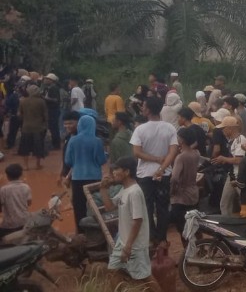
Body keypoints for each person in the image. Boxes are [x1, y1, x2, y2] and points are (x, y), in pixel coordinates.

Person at [130, 95, 179, 245]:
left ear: (149, 110)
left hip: (145, 175)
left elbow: (137, 153)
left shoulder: (140, 129)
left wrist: (155, 160)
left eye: (144, 106)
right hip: (164, 174)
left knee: (147, 208)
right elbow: (173, 152)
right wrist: (161, 168)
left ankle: (151, 238)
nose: (142, 108)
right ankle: (162, 238)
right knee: (163, 207)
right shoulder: (170, 128)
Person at [101, 157, 155, 288]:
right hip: (123, 241)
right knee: (113, 270)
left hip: (134, 244)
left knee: (145, 278)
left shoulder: (134, 192)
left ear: (126, 172)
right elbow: (109, 207)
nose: (113, 172)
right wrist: (103, 188)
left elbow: (137, 221)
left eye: (117, 169)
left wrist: (129, 246)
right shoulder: (124, 190)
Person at [63, 115, 108, 230]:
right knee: (95, 205)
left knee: (79, 206)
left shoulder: (72, 140)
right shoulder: (97, 141)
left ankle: (81, 232)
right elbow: (101, 160)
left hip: (77, 178)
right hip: (94, 178)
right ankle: (96, 230)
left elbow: (68, 161)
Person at [170, 127, 200, 245]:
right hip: (193, 192)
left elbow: (175, 178)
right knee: (194, 225)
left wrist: (172, 191)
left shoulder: (181, 157)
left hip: (181, 196)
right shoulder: (196, 153)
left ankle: (188, 254)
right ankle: (200, 248)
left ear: (181, 140)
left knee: (182, 227)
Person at [211, 116, 246, 216]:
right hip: (232, 175)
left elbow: (239, 160)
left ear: (230, 128)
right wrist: (223, 160)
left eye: (224, 128)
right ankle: (227, 228)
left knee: (245, 204)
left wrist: (223, 159)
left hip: (240, 176)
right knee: (224, 204)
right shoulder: (232, 141)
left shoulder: (240, 139)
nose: (222, 130)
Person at [17, 85, 47, 170]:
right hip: (38, 127)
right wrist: (45, 125)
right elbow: (45, 115)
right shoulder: (41, 101)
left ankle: (26, 166)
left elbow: (19, 114)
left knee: (25, 147)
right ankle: (37, 165)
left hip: (26, 127)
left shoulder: (23, 101)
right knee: (38, 147)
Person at [0, 164, 31, 238]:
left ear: (7, 176)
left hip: (9, 225)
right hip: (25, 222)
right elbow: (29, 203)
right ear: (21, 174)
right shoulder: (26, 187)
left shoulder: (4, 190)